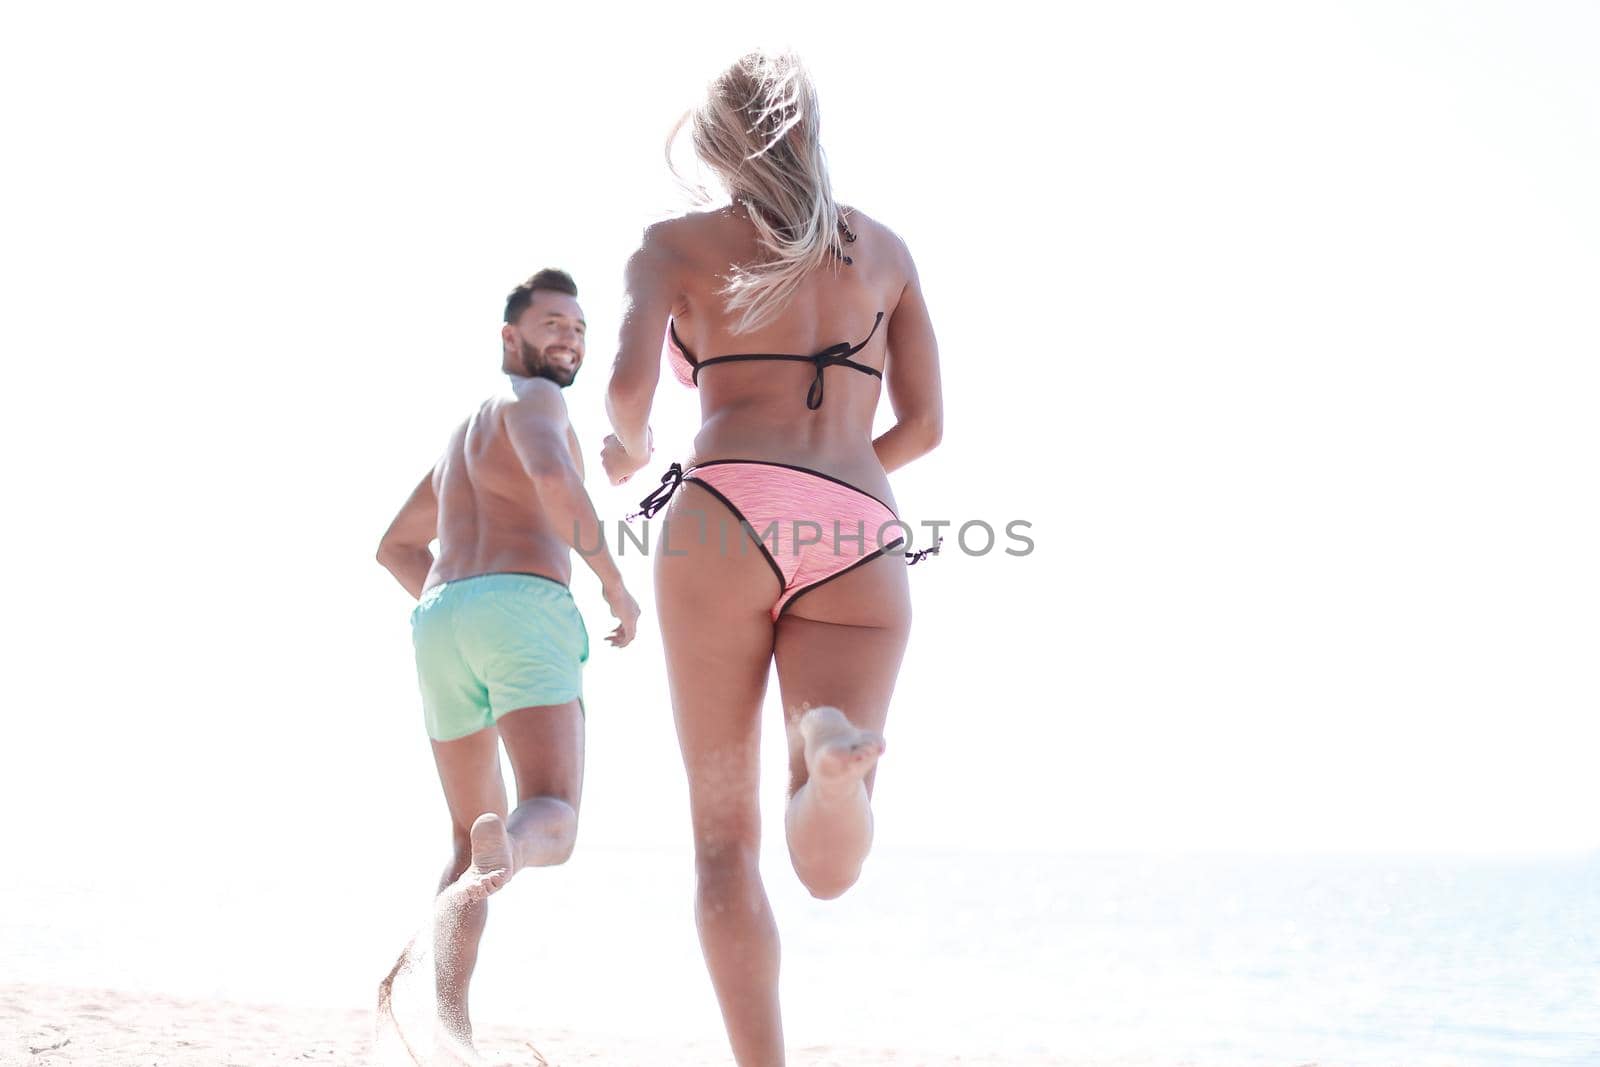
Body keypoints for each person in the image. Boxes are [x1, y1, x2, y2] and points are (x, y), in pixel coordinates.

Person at [601, 52, 943, 1066]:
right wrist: (833, 493)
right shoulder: (884, 250)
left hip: (720, 517)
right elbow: (925, 424)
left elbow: (627, 397)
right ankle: (832, 767)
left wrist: (628, 451)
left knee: (721, 843)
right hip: (859, 528)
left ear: (713, 144)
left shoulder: (673, 244)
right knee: (830, 861)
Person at [375, 268, 641, 1046]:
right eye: (553, 322)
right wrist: (615, 584)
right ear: (511, 337)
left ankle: (449, 1034)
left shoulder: (461, 438)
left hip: (441, 616)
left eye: (580, 327)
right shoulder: (538, 401)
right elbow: (555, 478)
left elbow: (394, 546)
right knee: (550, 809)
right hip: (522, 606)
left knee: (466, 840)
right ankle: (513, 847)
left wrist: (460, 602)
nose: (569, 336)